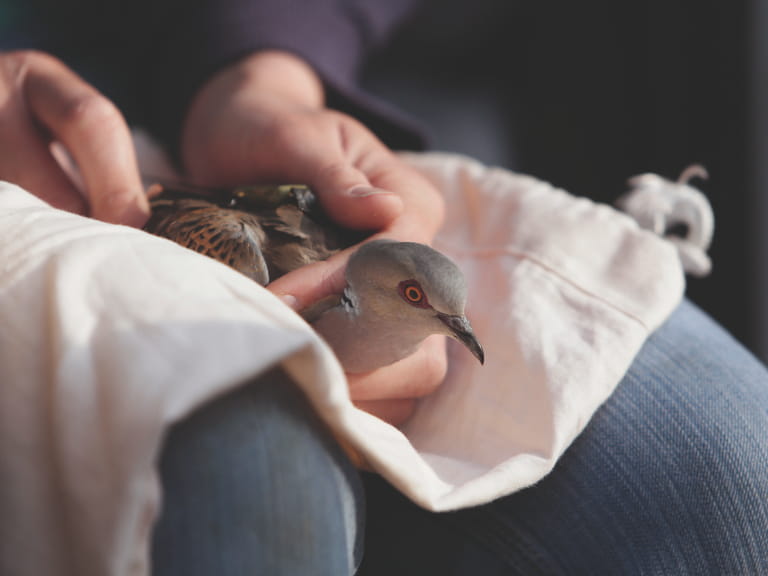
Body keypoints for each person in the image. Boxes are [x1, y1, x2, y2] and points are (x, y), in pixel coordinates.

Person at [1, 1, 766, 574]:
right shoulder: (227, 245)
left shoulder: (404, 280)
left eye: (446, 318)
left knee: (732, 467)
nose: (455, 330)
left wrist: (260, 75)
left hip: (313, 71)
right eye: (418, 305)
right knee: (257, 471)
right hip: (58, 176)